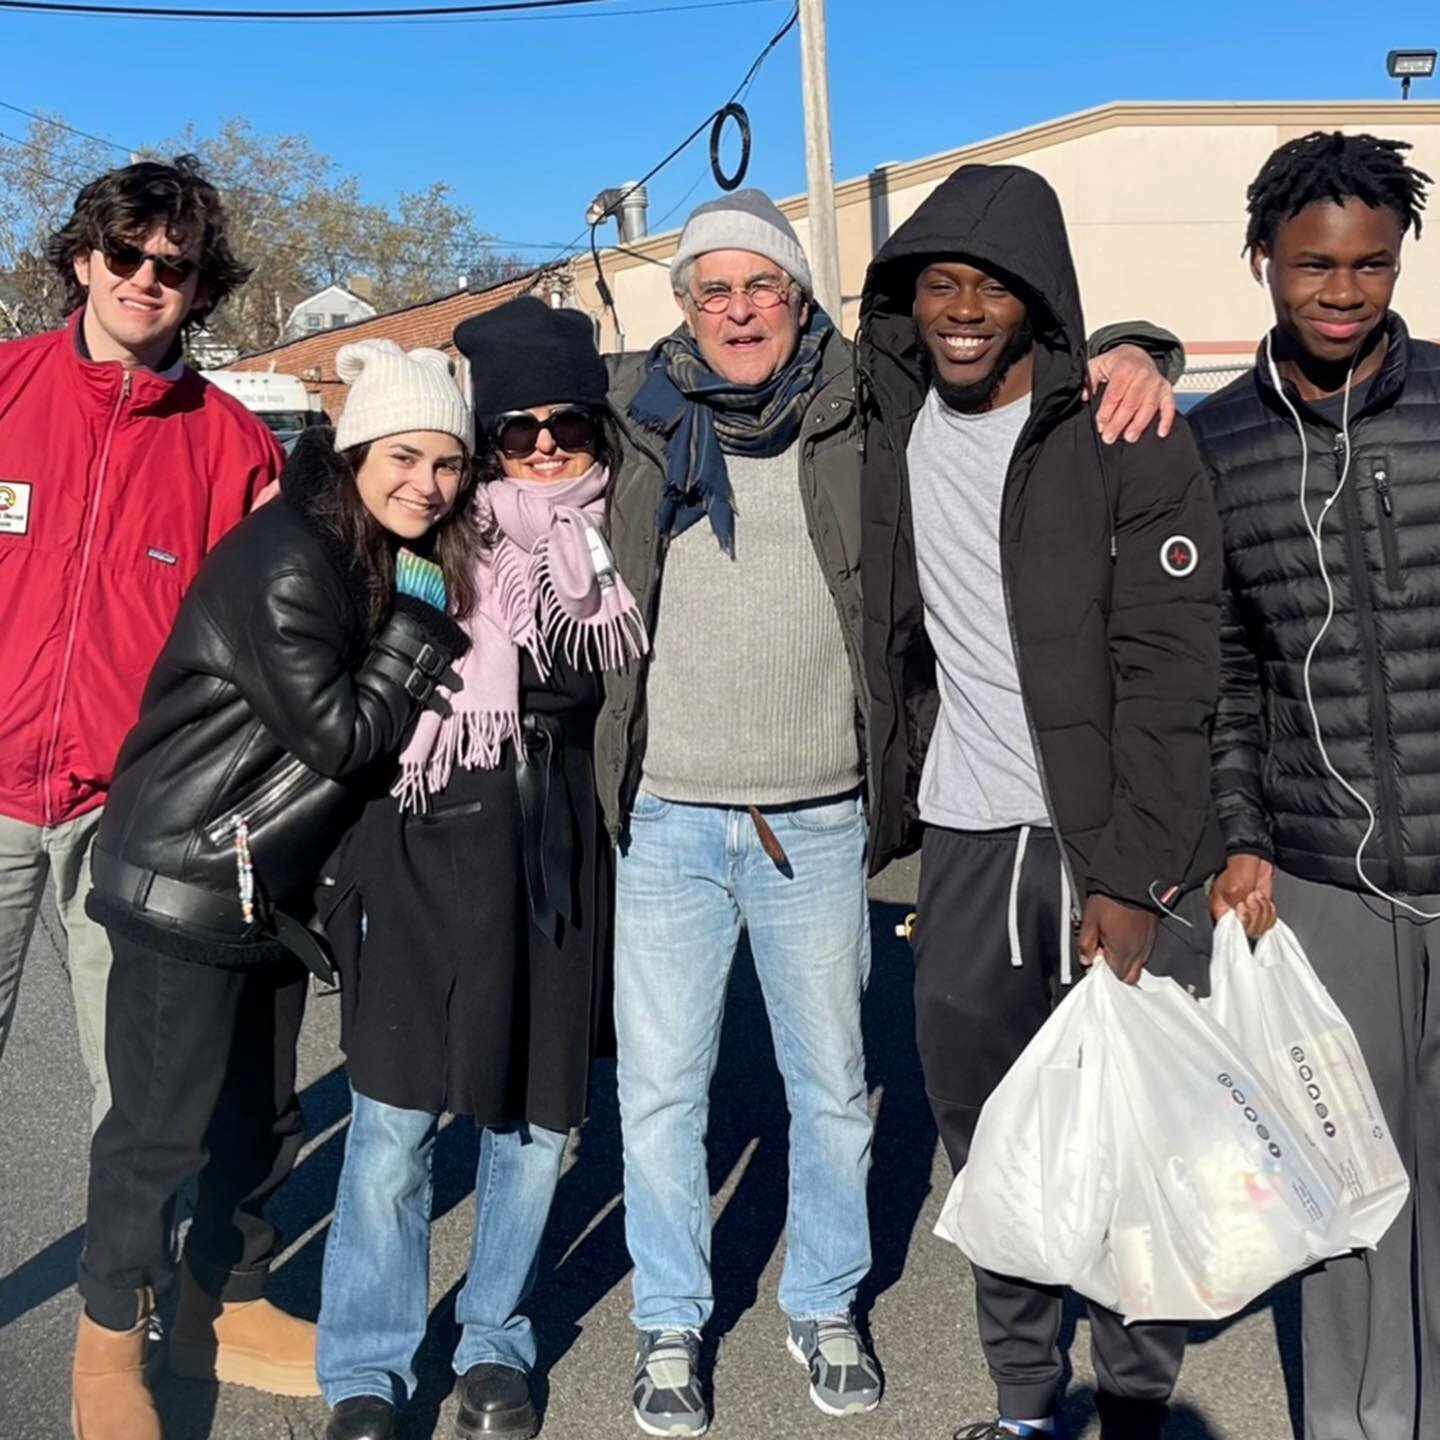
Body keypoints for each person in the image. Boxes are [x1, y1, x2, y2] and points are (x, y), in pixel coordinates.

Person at [596, 187, 1185, 1437]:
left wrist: (1141, 349)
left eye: (763, 286)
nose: (739, 310)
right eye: (712, 290)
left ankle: (825, 1301)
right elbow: (501, 444)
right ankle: (668, 1323)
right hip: (671, 817)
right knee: (658, 1094)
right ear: (683, 308)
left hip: (818, 812)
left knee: (836, 1087)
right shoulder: (631, 421)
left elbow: (1027, 344)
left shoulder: (863, 402)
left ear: (804, 300)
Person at [859, 162, 1225, 1440]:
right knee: (994, 1142)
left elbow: (1177, 666)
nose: (963, 308)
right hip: (967, 838)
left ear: (1038, 302)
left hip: (1102, 843)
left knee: (1132, 1140)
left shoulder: (1125, 432)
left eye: (992, 287)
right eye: (940, 284)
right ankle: (1025, 1404)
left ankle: (1130, 1402)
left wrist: (1134, 876)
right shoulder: (888, 419)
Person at [70, 340, 476, 1440]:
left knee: (260, 1124)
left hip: (264, 887)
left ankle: (223, 1311)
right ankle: (108, 1346)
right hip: (188, 878)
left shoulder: (369, 557)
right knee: (158, 1132)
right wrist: (417, 632)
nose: (425, 484)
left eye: (448, 464)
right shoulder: (293, 559)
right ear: (351, 452)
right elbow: (345, 735)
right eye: (403, 455)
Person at [315, 298, 646, 1440]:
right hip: (420, 839)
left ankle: (495, 1343)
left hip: (556, 845)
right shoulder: (421, 531)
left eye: (568, 423)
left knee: (536, 1123)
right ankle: (365, 1364)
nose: (545, 445)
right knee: (396, 1119)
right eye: (517, 430)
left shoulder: (629, 532)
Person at [1191, 130, 1438, 1440]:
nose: (1343, 292)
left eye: (1370, 265)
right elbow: (1229, 669)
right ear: (1264, 264)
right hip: (1328, 875)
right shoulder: (1220, 441)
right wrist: (1242, 835)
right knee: (1351, 1180)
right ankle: (1353, 1424)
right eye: (1312, 268)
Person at [0, 156, 282, 1125]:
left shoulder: (237, 448)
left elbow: (269, 648)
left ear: (200, 289)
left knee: (136, 1096)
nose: (144, 278)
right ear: (84, 258)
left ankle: (129, 1279)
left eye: (173, 265)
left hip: (133, 817)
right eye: (125, 252)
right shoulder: (4, 388)